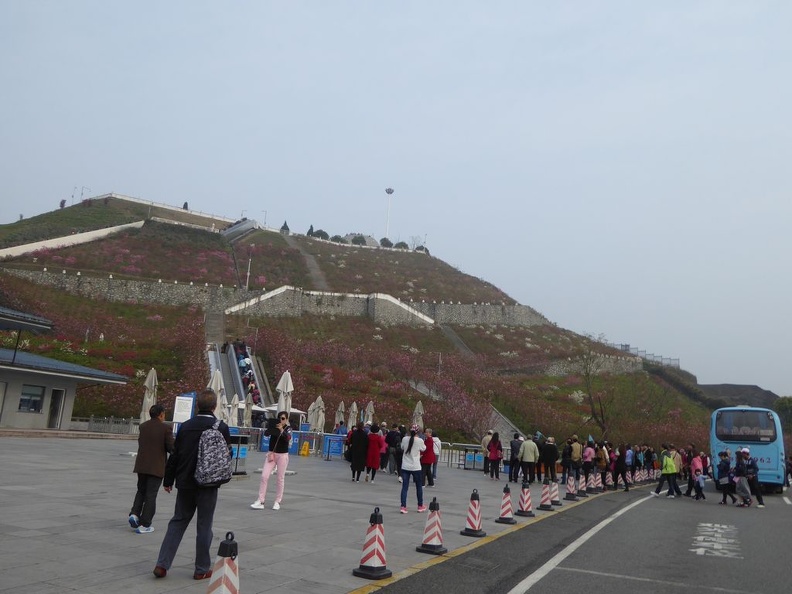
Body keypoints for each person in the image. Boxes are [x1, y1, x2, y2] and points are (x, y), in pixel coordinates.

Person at [153, 388, 231, 580]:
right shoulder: (221, 427)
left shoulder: (186, 426)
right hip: (208, 484)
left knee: (178, 522)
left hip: (186, 483)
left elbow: (175, 455)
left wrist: (168, 480)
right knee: (204, 526)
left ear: (197, 405)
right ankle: (201, 569)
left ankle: (162, 565)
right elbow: (226, 455)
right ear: (214, 406)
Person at [129, 404, 174, 534]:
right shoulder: (166, 428)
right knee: (151, 495)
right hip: (156, 467)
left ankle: (135, 514)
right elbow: (171, 448)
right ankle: (145, 524)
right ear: (161, 414)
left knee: (141, 491)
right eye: (164, 414)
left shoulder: (143, 427)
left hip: (141, 466)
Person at [250, 411, 292, 510]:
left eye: (283, 418)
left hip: (282, 455)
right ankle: (260, 500)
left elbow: (288, 438)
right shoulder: (274, 427)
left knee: (280, 478)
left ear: (286, 419)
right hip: (272, 454)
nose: (281, 420)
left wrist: (281, 430)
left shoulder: (288, 428)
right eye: (280, 418)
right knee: (264, 476)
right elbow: (266, 434)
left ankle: (277, 501)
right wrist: (271, 427)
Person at [399, 425, 426, 513]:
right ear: (418, 432)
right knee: (418, 486)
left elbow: (402, 447)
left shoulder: (404, 439)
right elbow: (424, 448)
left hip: (405, 466)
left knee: (405, 487)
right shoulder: (419, 440)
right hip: (416, 466)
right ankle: (420, 505)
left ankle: (403, 506)